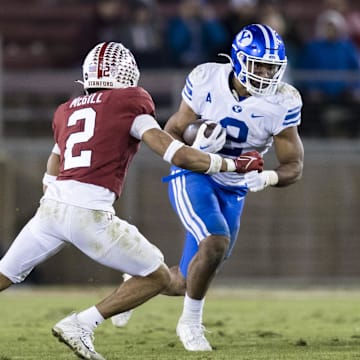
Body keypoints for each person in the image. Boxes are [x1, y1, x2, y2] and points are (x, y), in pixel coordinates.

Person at [0, 41, 264, 360]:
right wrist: (232, 164)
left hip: (50, 210)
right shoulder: (131, 101)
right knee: (158, 277)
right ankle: (81, 323)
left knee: (5, 273)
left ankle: (103, 300)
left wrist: (54, 193)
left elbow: (54, 162)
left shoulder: (67, 109)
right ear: (128, 73)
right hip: (89, 214)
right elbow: (176, 154)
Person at [113, 24, 304, 351]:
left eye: (273, 66)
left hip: (234, 186)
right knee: (215, 241)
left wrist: (268, 177)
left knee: (187, 278)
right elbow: (172, 130)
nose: (267, 73)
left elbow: (294, 165)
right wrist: (195, 145)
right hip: (195, 174)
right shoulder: (206, 79)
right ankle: (190, 324)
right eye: (259, 65)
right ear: (239, 60)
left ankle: (139, 282)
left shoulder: (283, 101)